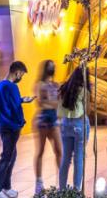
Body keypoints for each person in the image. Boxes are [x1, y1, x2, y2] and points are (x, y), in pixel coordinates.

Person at [0, 61, 32, 198]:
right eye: (22, 74)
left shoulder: (1, 85)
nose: (21, 77)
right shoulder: (12, 87)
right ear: (17, 72)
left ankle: (6, 187)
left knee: (11, 156)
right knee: (6, 157)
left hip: (3, 125)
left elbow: (8, 102)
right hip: (11, 126)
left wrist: (22, 100)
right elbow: (15, 108)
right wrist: (20, 122)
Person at [34, 60, 63, 194]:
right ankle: (39, 183)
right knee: (40, 151)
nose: (52, 68)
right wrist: (53, 103)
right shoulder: (39, 84)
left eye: (53, 66)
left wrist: (50, 103)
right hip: (43, 120)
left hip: (54, 120)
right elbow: (41, 103)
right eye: (50, 66)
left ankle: (62, 182)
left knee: (59, 151)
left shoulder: (56, 84)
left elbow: (59, 103)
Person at [58, 67, 90, 190]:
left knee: (66, 158)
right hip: (80, 125)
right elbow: (87, 110)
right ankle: (76, 190)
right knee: (78, 158)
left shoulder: (63, 88)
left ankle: (62, 189)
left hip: (66, 125)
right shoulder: (84, 90)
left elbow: (60, 106)